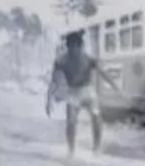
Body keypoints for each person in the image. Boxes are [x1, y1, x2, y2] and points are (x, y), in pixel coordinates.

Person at [46, 28, 107, 156]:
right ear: (67, 48)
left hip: (88, 91)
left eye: (76, 48)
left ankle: (96, 147)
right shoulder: (61, 61)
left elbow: (103, 74)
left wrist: (116, 88)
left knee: (96, 117)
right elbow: (54, 81)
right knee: (71, 122)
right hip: (73, 92)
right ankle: (71, 150)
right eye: (70, 49)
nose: (74, 52)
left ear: (81, 46)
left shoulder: (88, 59)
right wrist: (48, 100)